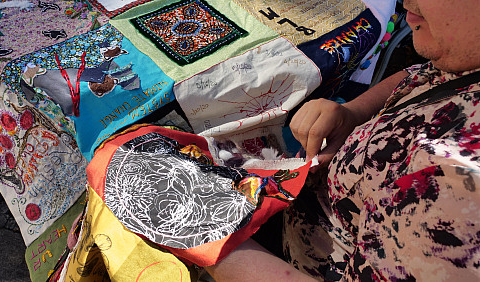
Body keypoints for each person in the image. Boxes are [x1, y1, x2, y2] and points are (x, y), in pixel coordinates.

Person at [205, 0, 480, 280]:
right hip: (294, 213)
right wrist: (355, 112)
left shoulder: (460, 178)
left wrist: (205, 236)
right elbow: (424, 73)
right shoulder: (464, 53)